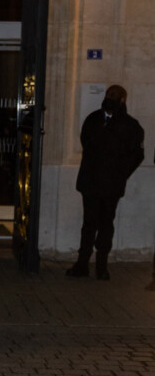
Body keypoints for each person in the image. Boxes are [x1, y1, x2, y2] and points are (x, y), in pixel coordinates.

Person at [66, 84, 144, 280]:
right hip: (91, 183)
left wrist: (120, 174)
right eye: (109, 94)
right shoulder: (93, 120)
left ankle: (101, 267)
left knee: (106, 224)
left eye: (114, 96)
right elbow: (87, 143)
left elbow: (136, 155)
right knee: (89, 224)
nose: (110, 98)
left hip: (111, 185)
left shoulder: (130, 125)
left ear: (122, 100)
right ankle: (82, 264)